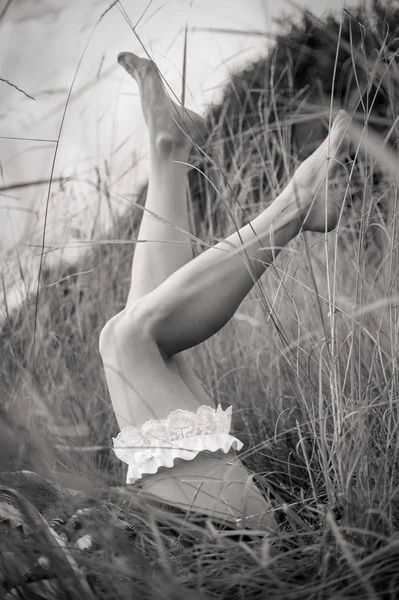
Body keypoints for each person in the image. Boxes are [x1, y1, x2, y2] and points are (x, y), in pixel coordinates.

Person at [98, 51, 350, 532]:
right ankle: (296, 203)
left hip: (180, 522)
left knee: (129, 333)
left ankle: (169, 153)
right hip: (209, 541)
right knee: (127, 340)